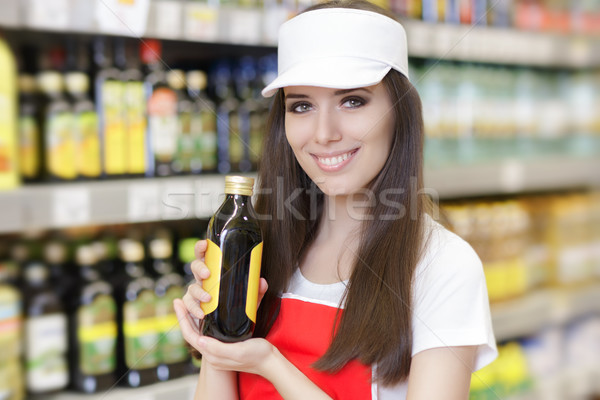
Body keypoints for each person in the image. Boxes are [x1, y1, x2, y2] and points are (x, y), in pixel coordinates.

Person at [173, 0, 498, 398]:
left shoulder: (443, 265)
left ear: (400, 112)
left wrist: (269, 364)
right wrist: (216, 336)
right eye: (302, 106)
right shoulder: (261, 248)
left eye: (352, 101)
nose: (324, 133)